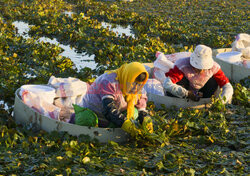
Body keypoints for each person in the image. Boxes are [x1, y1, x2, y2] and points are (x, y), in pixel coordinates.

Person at [78, 62, 153, 136]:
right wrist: (124, 123)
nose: (136, 87)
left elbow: (141, 106)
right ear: (128, 77)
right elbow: (108, 108)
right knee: (87, 120)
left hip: (114, 114)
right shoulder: (109, 82)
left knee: (135, 113)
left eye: (139, 84)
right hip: (94, 113)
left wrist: (145, 119)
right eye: (133, 83)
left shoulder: (137, 88)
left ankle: (112, 129)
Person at [163, 44, 233, 103]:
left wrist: (221, 102)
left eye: (204, 68)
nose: (201, 71)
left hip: (203, 93)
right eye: (197, 67)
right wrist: (187, 93)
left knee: (213, 81)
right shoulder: (183, 65)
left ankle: (205, 101)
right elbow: (167, 84)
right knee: (172, 89)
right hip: (184, 91)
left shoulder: (214, 68)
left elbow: (228, 86)